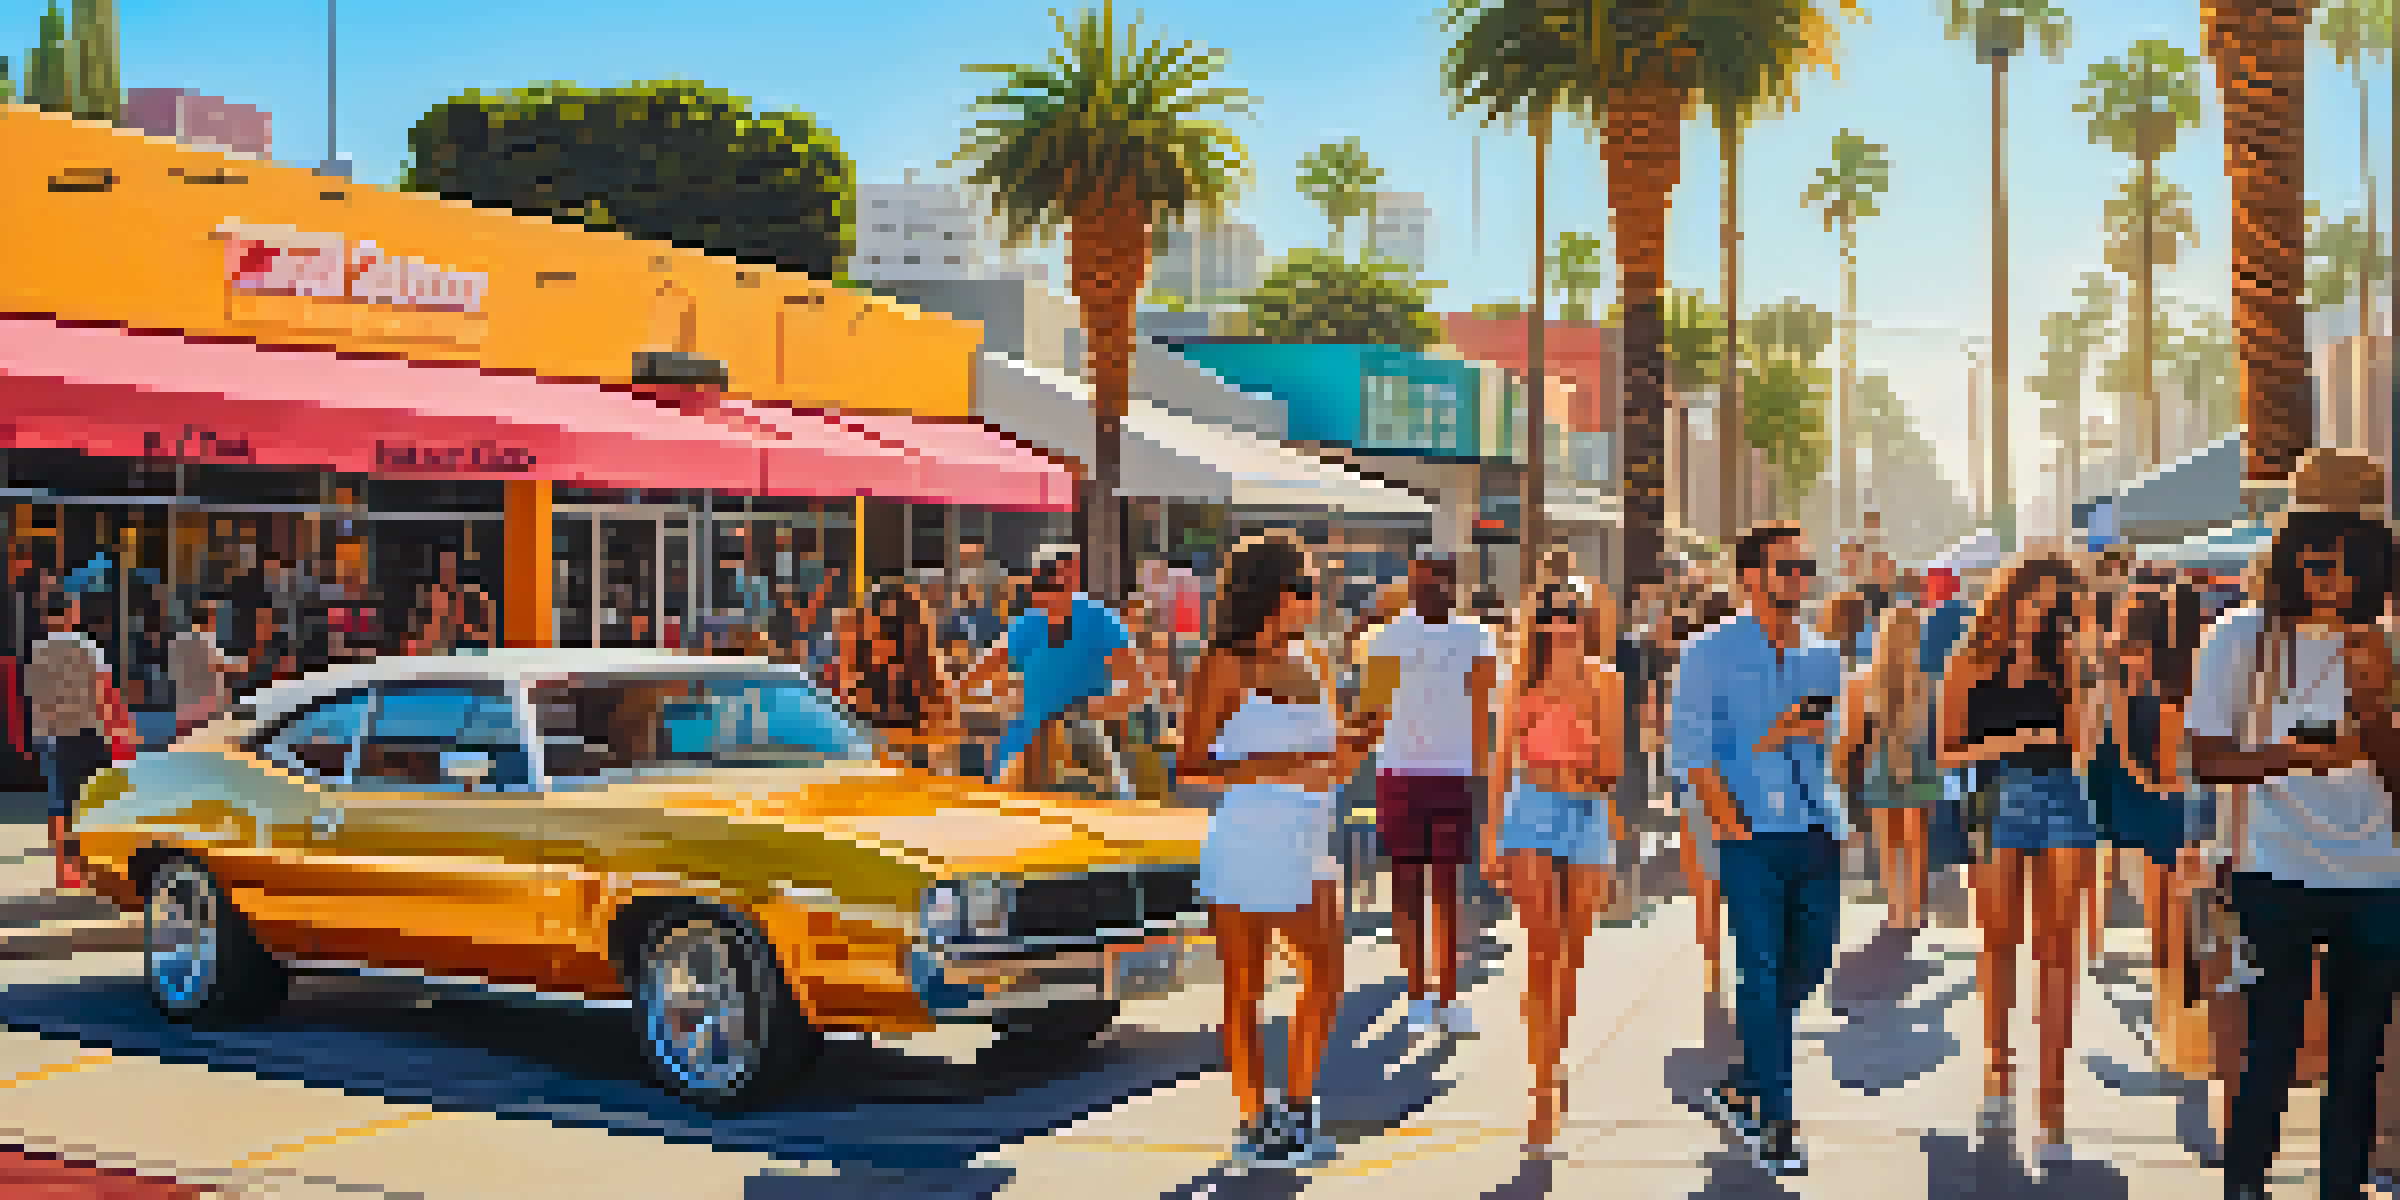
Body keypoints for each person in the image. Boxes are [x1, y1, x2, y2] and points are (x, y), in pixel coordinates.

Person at [2188, 476, 2400, 1200]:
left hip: (2378, 875)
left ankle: (2342, 1187)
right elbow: (2205, 758)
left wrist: (2373, 707)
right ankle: (2246, 1185)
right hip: (2272, 866)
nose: (2327, 574)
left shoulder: (2388, 642)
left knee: (2357, 1058)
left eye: (2345, 558)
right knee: (2270, 1046)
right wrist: (2288, 758)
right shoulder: (2241, 637)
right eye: (2313, 554)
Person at [1184, 533, 1374, 1171]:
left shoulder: (1314, 658)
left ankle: (1296, 1107)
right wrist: (1281, 763)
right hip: (1246, 838)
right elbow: (1191, 767)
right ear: (1275, 594)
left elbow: (1330, 770)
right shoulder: (1222, 664)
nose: (1317, 599)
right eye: (1308, 587)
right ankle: (1254, 1121)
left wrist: (1358, 744)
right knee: (1244, 989)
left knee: (1327, 974)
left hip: (1308, 837)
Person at [1670, 523, 1845, 1176]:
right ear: (1750, 577)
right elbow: (1690, 751)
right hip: (1750, 835)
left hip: (1816, 828)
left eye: (1805, 567)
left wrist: (1817, 734)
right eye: (1787, 567)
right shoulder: (1707, 652)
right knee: (1761, 969)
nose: (1800, 578)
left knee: (1813, 960)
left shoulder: (1823, 653)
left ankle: (1746, 1079)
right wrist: (1731, 818)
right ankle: (1776, 1119)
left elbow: (1835, 735)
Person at [1938, 554, 2095, 1166]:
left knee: (2059, 950)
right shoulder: (1970, 661)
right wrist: (2009, 741)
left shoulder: (2067, 662)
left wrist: (2085, 668)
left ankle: (2053, 1097)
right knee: (1998, 942)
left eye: (2057, 603)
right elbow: (1945, 753)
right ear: (2010, 598)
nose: (2044, 612)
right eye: (2038, 599)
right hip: (1994, 796)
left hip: (2063, 797)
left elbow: (2082, 744)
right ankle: (1997, 1073)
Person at [1485, 580, 1623, 1156]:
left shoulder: (1606, 681)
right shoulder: (1519, 681)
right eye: (1550, 614)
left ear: (1586, 620)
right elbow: (1501, 762)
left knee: (1571, 955)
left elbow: (1612, 767)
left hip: (1587, 815)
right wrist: (1491, 836)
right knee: (1541, 952)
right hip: (1530, 815)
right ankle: (1540, 1086)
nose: (1561, 624)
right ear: (1536, 622)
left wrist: (1577, 758)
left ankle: (1554, 1058)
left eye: (1571, 614)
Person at [1359, 554, 1499, 1037]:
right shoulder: (1387, 638)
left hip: (1455, 774)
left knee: (1448, 888)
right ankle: (1417, 994)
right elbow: (1373, 711)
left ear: (1456, 584)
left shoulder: (1476, 636)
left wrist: (1483, 777)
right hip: (1399, 773)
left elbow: (1483, 711)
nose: (1433, 586)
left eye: (1442, 577)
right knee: (1405, 885)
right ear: (1411, 583)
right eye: (1424, 578)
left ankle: (1449, 995)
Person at [959, 547, 1146, 789]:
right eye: (1043, 578)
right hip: (1026, 739)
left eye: (1058, 576)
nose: (1049, 586)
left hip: (1081, 735)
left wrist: (1099, 709)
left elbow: (1137, 684)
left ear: (1073, 576)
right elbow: (983, 669)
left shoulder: (1100, 619)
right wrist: (966, 701)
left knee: (1112, 797)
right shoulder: (1028, 623)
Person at [1837, 606, 1938, 931]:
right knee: (1915, 841)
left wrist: (1840, 773)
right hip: (1916, 765)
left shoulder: (1862, 681)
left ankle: (1898, 909)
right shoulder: (1925, 681)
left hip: (1880, 765)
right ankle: (1914, 908)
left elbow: (1851, 737)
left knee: (1890, 842)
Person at [26, 596, 115, 890]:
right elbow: (104, 691)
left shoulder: (38, 651)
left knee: (59, 804)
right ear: (72, 614)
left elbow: (34, 696)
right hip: (88, 731)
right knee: (92, 801)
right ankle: (90, 867)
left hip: (53, 734)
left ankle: (62, 871)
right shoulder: (88, 647)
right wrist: (110, 728)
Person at [167, 600, 239, 737]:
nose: (215, 620)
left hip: (189, 705)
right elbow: (217, 665)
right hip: (204, 705)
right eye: (213, 615)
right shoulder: (200, 639)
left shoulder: (180, 640)